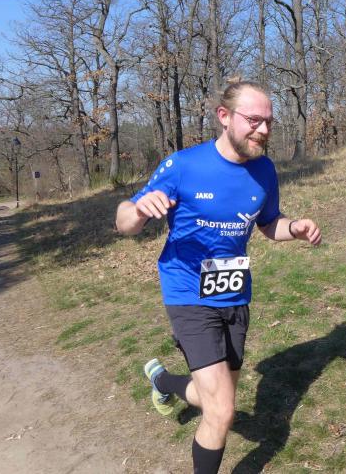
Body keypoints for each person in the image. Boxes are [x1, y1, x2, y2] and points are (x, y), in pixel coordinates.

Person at [115, 80, 321, 474]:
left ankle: (163, 382)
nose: (263, 130)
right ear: (224, 117)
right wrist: (138, 210)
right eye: (254, 120)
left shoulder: (264, 170)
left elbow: (268, 223)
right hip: (187, 291)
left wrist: (293, 228)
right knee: (223, 410)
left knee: (216, 397)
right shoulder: (184, 165)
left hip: (234, 292)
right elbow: (124, 221)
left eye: (269, 122)